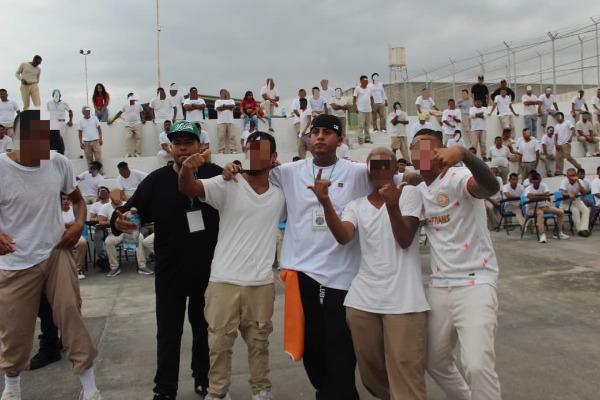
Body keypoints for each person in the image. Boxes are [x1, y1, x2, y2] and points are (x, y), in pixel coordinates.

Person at [110, 120, 223, 399]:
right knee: (169, 333)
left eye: (189, 143)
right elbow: (128, 211)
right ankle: (165, 389)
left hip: (208, 271)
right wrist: (118, 221)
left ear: (200, 145)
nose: (183, 148)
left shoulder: (215, 176)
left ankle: (203, 378)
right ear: (171, 148)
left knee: (204, 330)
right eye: (177, 143)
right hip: (170, 272)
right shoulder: (156, 180)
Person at [309, 146, 429, 400]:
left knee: (406, 371)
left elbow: (405, 239)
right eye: (374, 165)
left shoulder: (409, 195)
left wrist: (392, 206)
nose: (379, 170)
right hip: (362, 302)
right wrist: (326, 202)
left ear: (395, 168)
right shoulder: (356, 205)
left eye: (385, 164)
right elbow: (344, 236)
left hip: (404, 302)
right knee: (370, 374)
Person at [0, 110, 101, 400]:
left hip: (55, 251)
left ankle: (91, 390)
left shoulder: (58, 163)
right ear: (16, 138)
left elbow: (78, 201)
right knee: (15, 329)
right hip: (16, 259)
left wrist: (79, 224)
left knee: (71, 314)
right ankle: (12, 387)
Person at [179, 131, 285, 400]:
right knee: (218, 344)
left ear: (273, 156)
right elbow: (189, 188)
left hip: (260, 283)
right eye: (250, 149)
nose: (254, 155)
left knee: (259, 343)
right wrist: (187, 169)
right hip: (223, 280)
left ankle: (262, 390)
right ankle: (217, 392)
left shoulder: (280, 194)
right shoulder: (228, 183)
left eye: (261, 151)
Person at [410, 128, 502, 400]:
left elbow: (490, 188)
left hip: (475, 282)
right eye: (415, 147)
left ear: (442, 151)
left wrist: (465, 155)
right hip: (439, 286)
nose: (421, 152)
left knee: (477, 366)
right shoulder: (419, 189)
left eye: (427, 147)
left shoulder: (458, 177)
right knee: (435, 362)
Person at [98, 188, 151, 277]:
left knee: (140, 237)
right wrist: (114, 222)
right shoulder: (105, 207)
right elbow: (101, 221)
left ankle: (142, 266)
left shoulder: (127, 205)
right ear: (110, 196)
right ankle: (114, 267)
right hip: (114, 233)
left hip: (129, 231)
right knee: (108, 241)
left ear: (122, 196)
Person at [525, 172, 569, 243]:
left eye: (537, 180)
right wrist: (543, 196)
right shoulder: (528, 189)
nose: (536, 182)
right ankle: (542, 234)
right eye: (534, 180)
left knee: (560, 212)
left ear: (540, 180)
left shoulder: (544, 185)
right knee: (540, 213)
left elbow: (547, 195)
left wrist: (536, 196)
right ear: (532, 181)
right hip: (532, 208)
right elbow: (530, 197)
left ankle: (558, 232)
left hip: (544, 206)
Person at [108, 93, 146, 158]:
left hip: (137, 124)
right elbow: (119, 113)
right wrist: (112, 120)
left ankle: (137, 153)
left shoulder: (138, 105)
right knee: (127, 138)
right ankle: (129, 153)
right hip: (128, 125)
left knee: (138, 138)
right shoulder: (125, 105)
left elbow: (142, 112)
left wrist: (143, 118)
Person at [60, 193, 88, 279]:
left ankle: (77, 269)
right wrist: (71, 224)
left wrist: (65, 225)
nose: (65, 201)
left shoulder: (74, 211)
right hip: (59, 235)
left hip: (74, 234)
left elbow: (80, 223)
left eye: (68, 199)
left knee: (82, 242)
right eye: (63, 199)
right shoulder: (56, 211)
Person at [560, 168, 591, 237]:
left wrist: (578, 181)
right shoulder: (564, 181)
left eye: (573, 175)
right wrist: (569, 194)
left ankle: (584, 229)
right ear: (567, 176)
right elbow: (563, 193)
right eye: (569, 176)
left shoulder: (579, 181)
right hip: (567, 203)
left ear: (576, 175)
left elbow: (583, 192)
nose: (571, 177)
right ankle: (579, 230)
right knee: (575, 210)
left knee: (586, 210)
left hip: (577, 201)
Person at [47, 89, 73, 155]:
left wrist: (70, 120)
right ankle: (54, 153)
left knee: (61, 138)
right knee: (53, 138)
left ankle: (63, 153)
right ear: (52, 96)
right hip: (53, 123)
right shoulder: (49, 103)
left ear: (60, 95)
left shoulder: (64, 103)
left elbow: (70, 111)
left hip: (61, 122)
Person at [78, 106, 103, 172]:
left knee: (98, 158)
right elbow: (80, 133)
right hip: (86, 142)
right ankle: (91, 173)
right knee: (89, 159)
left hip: (95, 141)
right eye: (85, 111)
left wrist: (101, 139)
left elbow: (99, 129)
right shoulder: (80, 121)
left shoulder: (94, 118)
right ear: (83, 112)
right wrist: (80, 143)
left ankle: (101, 173)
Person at [215, 89, 238, 154]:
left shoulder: (231, 100)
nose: (225, 94)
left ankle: (233, 150)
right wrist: (228, 107)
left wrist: (223, 106)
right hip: (221, 122)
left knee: (232, 136)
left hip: (231, 121)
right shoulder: (217, 101)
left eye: (225, 93)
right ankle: (221, 150)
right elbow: (218, 108)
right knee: (221, 137)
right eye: (223, 93)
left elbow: (233, 106)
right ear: (220, 94)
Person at [353, 75, 374, 144]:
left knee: (367, 125)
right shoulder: (357, 88)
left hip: (368, 110)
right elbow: (354, 98)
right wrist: (355, 107)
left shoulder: (369, 89)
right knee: (361, 125)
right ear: (361, 81)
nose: (366, 82)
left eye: (367, 81)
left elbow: (371, 98)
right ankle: (360, 138)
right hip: (361, 110)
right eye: (365, 81)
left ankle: (367, 138)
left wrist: (373, 107)